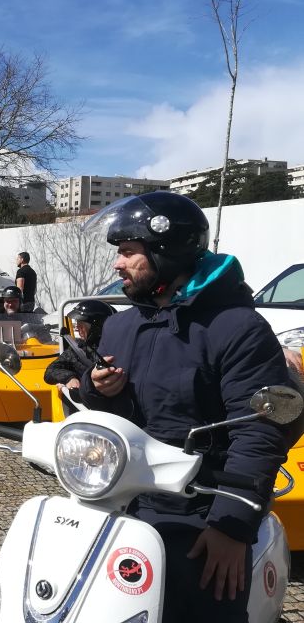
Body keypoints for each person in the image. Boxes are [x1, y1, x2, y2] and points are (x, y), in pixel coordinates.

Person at [77, 191, 298, 622]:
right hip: (122, 498)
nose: (117, 264)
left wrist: (231, 527)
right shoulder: (121, 326)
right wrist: (96, 388)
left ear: (168, 250)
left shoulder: (237, 327)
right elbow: (108, 415)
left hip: (200, 513)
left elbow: (261, 431)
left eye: (127, 252)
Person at [44, 299, 115, 393]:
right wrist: (70, 377)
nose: (77, 329)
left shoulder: (117, 348)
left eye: (81, 326)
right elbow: (50, 372)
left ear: (96, 328)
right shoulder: (77, 348)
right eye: (77, 324)